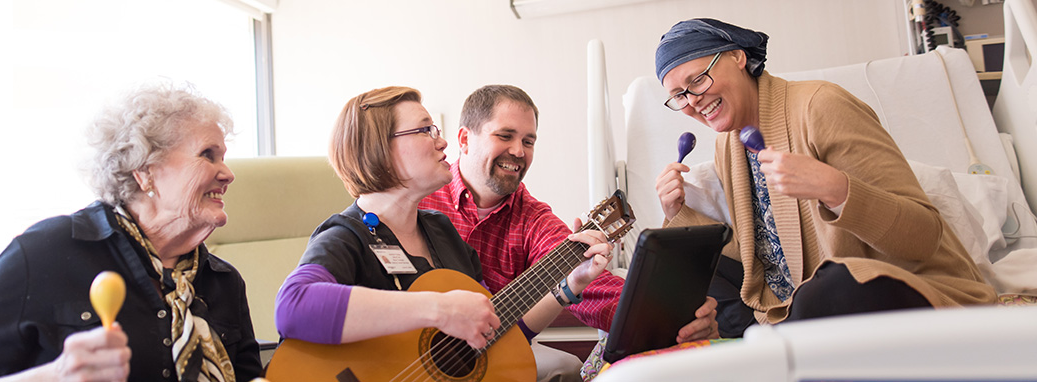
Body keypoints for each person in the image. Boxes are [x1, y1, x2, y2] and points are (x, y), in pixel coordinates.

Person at [0, 82, 262, 381]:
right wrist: (54, 375)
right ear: (145, 171)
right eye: (208, 155)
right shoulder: (48, 253)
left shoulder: (223, 282)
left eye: (224, 156)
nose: (227, 173)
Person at [653, 18, 996, 330]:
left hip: (898, 290)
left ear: (738, 57)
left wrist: (836, 190)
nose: (693, 100)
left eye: (698, 79)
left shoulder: (820, 106)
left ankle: (773, 338)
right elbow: (759, 255)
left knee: (834, 285)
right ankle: (757, 335)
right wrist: (678, 213)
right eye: (679, 95)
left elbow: (923, 235)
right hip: (791, 305)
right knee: (680, 273)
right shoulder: (728, 146)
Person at [272, 86, 612, 366]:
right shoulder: (347, 235)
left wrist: (569, 286)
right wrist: (441, 310)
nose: (442, 142)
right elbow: (293, 306)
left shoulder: (441, 231)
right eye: (425, 130)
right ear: (378, 147)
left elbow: (489, 336)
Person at [419, 85, 720, 382]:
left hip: (484, 358)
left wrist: (672, 317)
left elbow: (594, 287)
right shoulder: (420, 194)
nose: (518, 151)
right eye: (505, 135)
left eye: (529, 141)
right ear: (464, 139)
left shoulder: (533, 219)